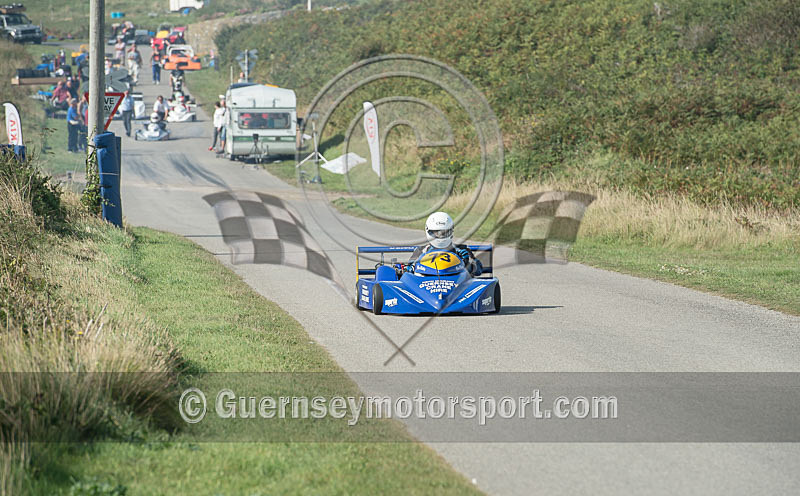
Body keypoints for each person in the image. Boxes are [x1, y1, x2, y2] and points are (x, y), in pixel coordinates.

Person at [405, 212, 483, 277]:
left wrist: (468, 263)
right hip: (425, 285)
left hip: (456, 285)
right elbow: (407, 272)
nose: (441, 236)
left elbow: (478, 270)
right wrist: (411, 268)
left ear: (451, 231)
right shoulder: (421, 250)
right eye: (437, 233)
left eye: (444, 232)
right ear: (429, 231)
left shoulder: (462, 249)